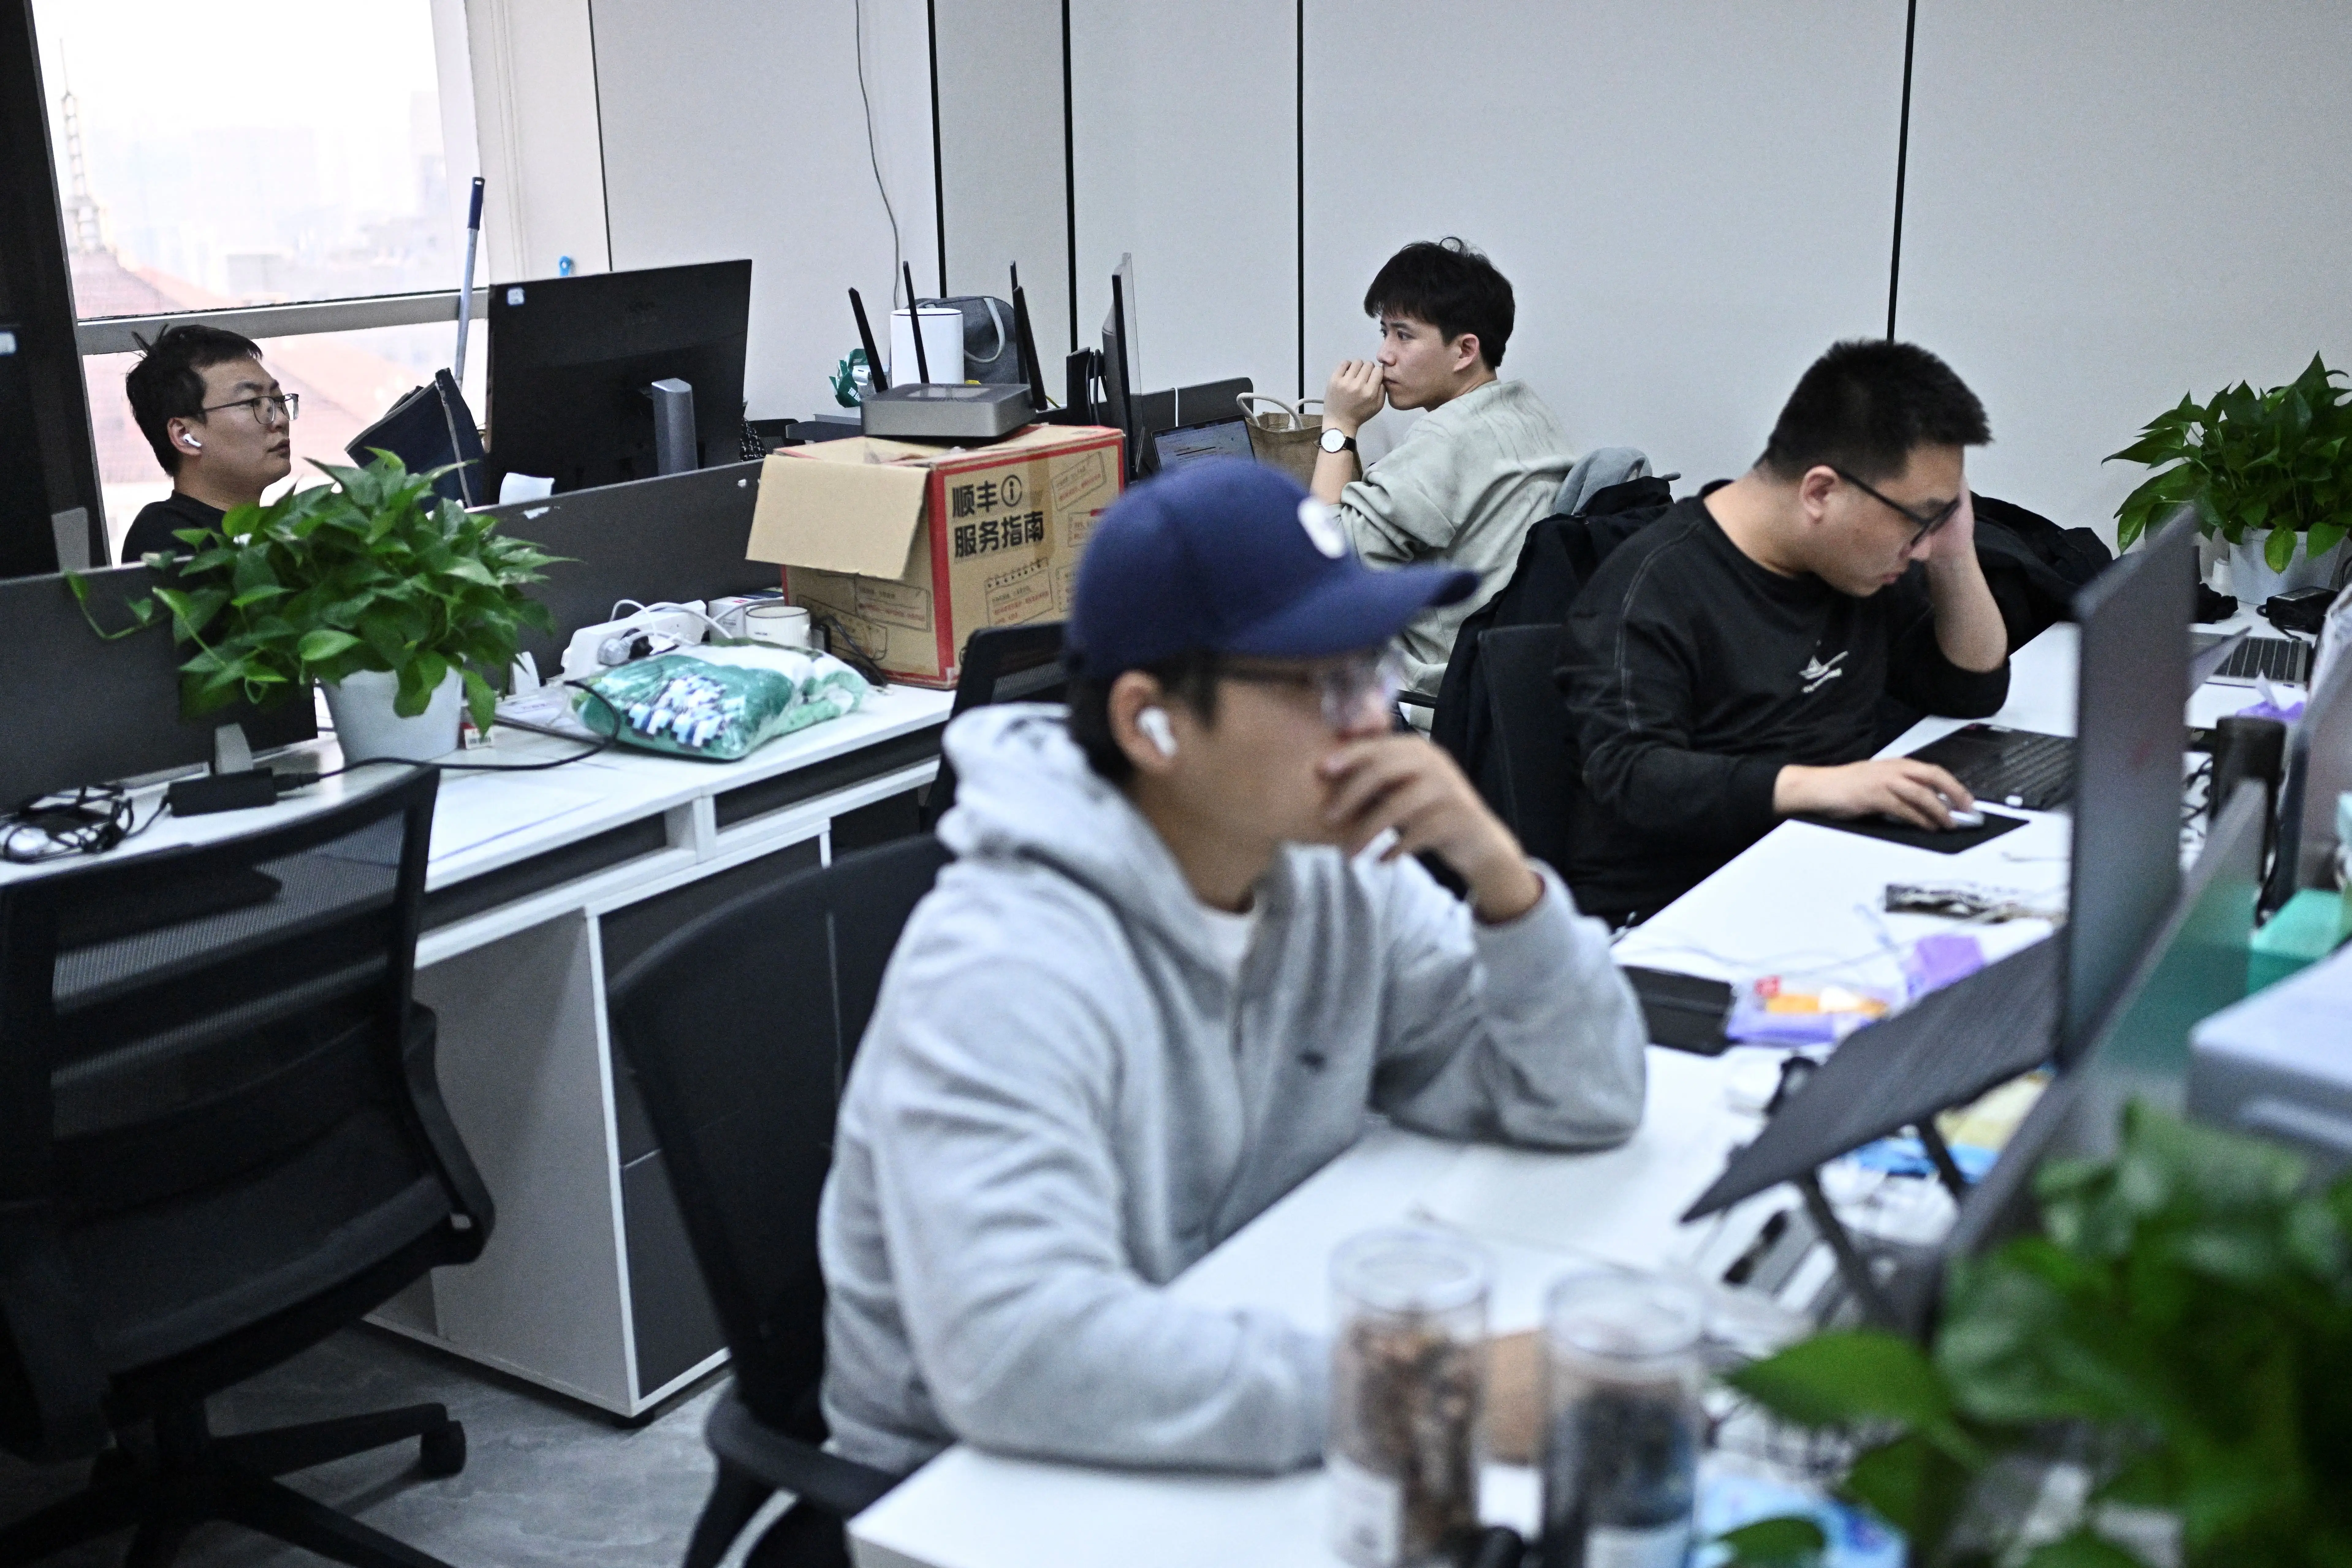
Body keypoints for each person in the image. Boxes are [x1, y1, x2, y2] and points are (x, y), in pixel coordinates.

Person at [819, 460, 1646, 1479]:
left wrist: (1502, 882)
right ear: (1147, 721)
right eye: (1319, 685)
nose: (1370, 726)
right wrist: (1435, 1388)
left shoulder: (1338, 875)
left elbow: (1585, 1098)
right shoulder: (1005, 963)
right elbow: (1018, 1355)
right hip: (970, 1487)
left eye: (1373, 672)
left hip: (1225, 1356)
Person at [1557, 338, 2012, 925]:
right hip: (1683, 906)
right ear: (1821, 492)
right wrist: (1827, 787)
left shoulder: (1856, 564)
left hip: (1826, 864)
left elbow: (1970, 688)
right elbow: (1632, 773)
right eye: (1916, 519)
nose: (1919, 547)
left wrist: (1953, 549)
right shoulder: (1649, 589)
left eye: (1937, 519)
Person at [1311, 238, 1575, 708]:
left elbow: (1321, 562)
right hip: (1502, 693)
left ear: (1464, 351)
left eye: (1404, 335)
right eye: (1383, 332)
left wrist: (1338, 425)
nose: (1383, 355)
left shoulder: (1448, 441)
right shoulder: (1528, 412)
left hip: (1427, 701)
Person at [120, 324, 297, 561]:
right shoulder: (166, 536)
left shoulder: (282, 527)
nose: (281, 420)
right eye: (252, 402)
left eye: (277, 401)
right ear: (185, 435)